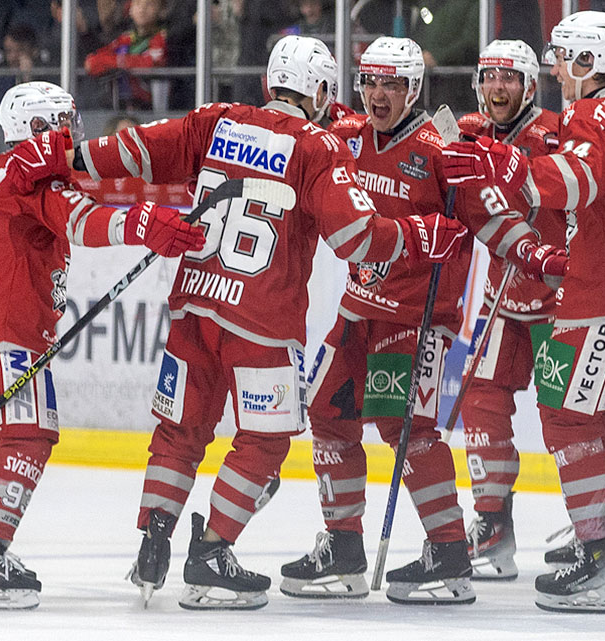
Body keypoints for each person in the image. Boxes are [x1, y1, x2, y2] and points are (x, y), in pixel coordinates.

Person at [71, 34, 467, 610]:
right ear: (326, 92)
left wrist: (66, 158)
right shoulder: (318, 145)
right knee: (265, 438)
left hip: (194, 305)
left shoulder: (216, 120)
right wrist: (418, 234)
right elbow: (357, 239)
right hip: (262, 319)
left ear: (268, 84)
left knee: (179, 435)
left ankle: (153, 539)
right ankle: (210, 554)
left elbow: (134, 150)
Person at [278, 36, 563, 605]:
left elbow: (491, 216)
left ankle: (450, 552)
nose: (379, 94)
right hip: (359, 309)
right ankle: (344, 545)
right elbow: (299, 131)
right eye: (371, 82)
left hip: (419, 316)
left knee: (406, 429)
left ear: (414, 90)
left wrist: (536, 254)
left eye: (393, 84)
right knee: (327, 414)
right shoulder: (348, 139)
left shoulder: (441, 151)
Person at [443, 10, 605, 613]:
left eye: (563, 57)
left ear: (587, 63)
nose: (557, 69)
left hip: (604, 294)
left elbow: (567, 185)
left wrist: (500, 166)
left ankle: (596, 561)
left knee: (564, 415)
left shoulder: (590, 115)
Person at [0, 81, 205, 610]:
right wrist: (145, 223)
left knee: (13, 437)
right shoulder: (29, 178)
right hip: (6, 335)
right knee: (28, 434)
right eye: (62, 123)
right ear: (36, 129)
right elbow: (83, 221)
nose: (74, 134)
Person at [454, 39, 565, 582]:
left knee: (565, 417)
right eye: (490, 76)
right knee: (479, 399)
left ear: (529, 85)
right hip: (503, 297)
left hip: (555, 300)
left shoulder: (551, 135)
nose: (498, 87)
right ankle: (493, 525)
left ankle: (595, 527)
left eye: (509, 77)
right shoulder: (477, 133)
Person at [84, 0, 167, 110]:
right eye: (137, 4)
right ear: (130, 10)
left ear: (161, 10)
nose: (142, 9)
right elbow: (92, 62)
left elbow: (150, 64)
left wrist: (114, 62)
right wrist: (121, 62)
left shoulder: (164, 38)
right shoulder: (126, 38)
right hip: (122, 104)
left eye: (149, 4)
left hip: (152, 108)